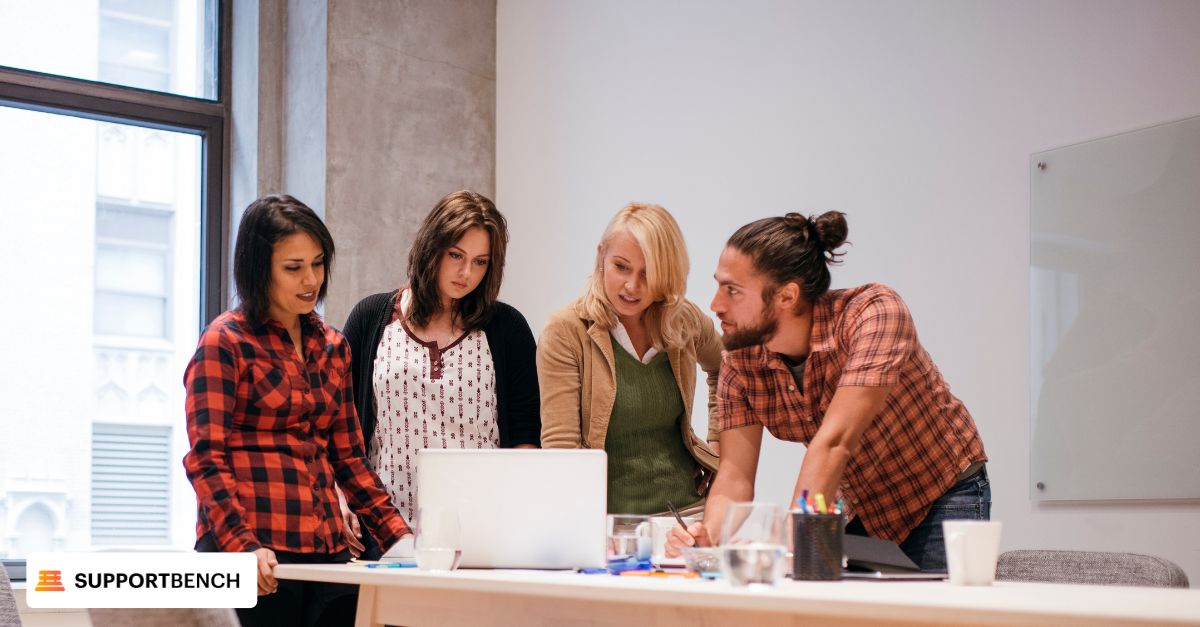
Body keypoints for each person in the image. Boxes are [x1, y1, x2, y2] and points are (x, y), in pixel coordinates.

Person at [668, 211, 988, 572]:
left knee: (936, 606)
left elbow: (835, 442)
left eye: (733, 290)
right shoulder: (741, 357)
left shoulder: (873, 314)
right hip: (859, 506)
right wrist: (708, 538)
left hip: (940, 491)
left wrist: (787, 541)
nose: (715, 304)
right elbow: (735, 474)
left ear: (787, 296)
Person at [183, 194, 412, 627]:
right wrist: (241, 547)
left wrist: (399, 539)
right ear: (258, 269)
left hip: (326, 554)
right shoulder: (224, 343)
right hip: (252, 552)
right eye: (293, 268)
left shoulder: (333, 347)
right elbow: (206, 460)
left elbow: (349, 459)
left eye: (318, 263)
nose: (311, 280)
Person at [342, 190, 540, 551]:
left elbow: (526, 438)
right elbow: (342, 432)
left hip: (482, 535)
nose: (466, 273)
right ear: (431, 246)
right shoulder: (370, 318)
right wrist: (339, 497)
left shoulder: (508, 328)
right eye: (456, 255)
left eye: (480, 262)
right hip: (383, 532)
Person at [539, 202, 721, 516]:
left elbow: (729, 368)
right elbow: (562, 449)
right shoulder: (566, 331)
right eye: (621, 267)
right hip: (605, 522)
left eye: (648, 274)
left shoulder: (684, 320)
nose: (632, 286)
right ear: (601, 256)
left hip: (688, 514)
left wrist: (718, 448)